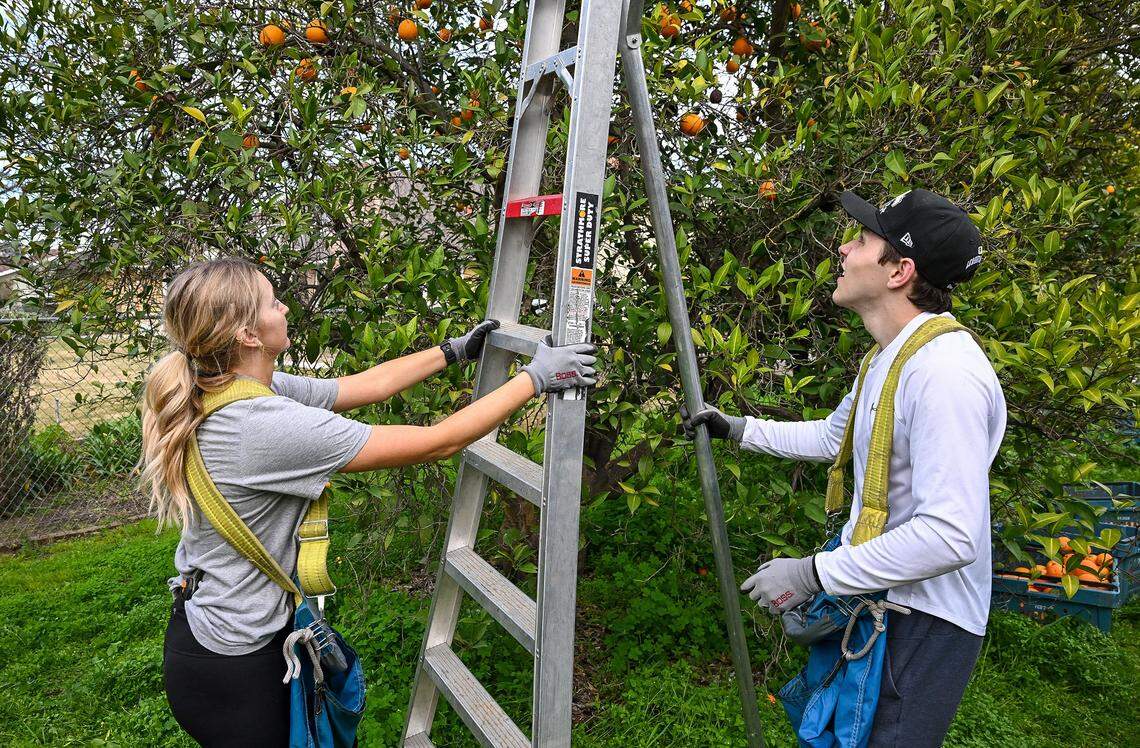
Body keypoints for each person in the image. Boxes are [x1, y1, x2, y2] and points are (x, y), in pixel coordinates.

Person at [138, 257, 597, 747]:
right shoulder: (263, 425)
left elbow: (364, 386)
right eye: (274, 302)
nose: (285, 306)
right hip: (232, 665)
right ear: (248, 334)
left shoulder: (237, 388)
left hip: (213, 634)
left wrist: (452, 351)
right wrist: (535, 380)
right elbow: (436, 442)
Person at [683, 189, 1007, 746]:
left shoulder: (946, 373)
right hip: (883, 601)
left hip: (924, 623)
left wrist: (812, 573)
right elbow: (836, 437)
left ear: (899, 270)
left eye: (861, 240)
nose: (843, 248)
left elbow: (951, 536)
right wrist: (737, 429)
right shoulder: (889, 356)